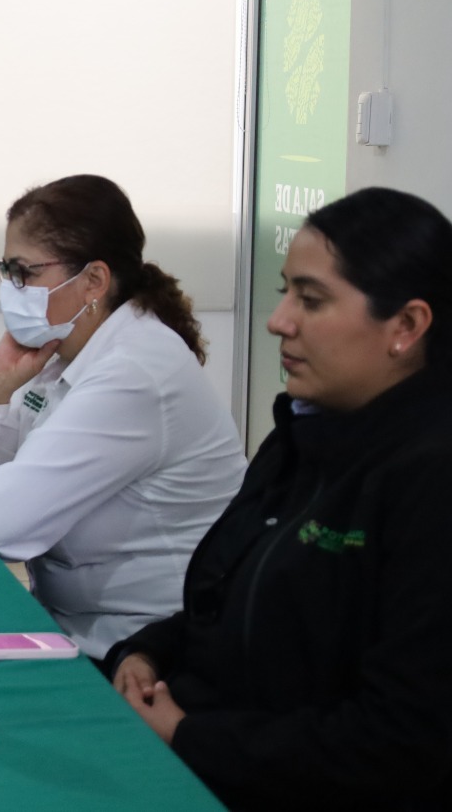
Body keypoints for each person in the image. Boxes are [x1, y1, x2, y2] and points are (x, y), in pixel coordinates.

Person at [109, 186, 452, 810]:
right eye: (284, 292)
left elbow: (401, 741)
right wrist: (148, 651)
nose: (279, 321)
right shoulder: (301, 435)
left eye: (311, 300)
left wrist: (192, 736)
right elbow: (239, 606)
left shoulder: (428, 478)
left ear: (406, 326)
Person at [0, 174, 244, 658]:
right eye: (6, 270)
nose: (11, 289)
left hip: (151, 649)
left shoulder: (135, 371)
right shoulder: (61, 353)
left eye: (25, 273)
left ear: (94, 280)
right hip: (72, 626)